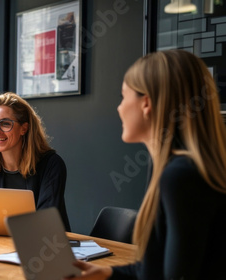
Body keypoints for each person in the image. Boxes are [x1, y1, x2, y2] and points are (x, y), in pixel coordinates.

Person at [66, 50, 226, 280]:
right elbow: (155, 271)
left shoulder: (180, 176)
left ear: (146, 103)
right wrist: (105, 273)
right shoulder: (181, 168)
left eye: (123, 96)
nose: (119, 108)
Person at [0, 92, 71, 231]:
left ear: (24, 128)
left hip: (45, 247)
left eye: (5, 124)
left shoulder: (51, 164)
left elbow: (45, 220)